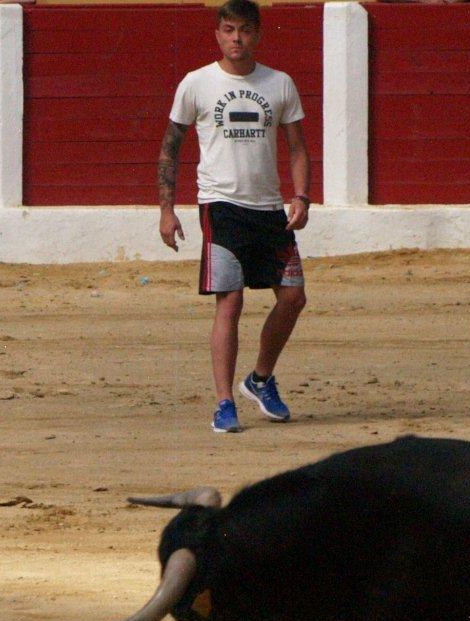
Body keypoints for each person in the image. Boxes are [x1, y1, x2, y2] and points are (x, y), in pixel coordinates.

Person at [157, 0, 310, 434]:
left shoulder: (279, 84)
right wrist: (167, 210)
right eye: (228, 30)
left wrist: (302, 196)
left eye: (244, 30)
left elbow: (297, 147)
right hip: (221, 206)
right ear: (217, 34)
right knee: (232, 300)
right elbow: (171, 147)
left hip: (268, 207)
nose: (236, 38)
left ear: (257, 34)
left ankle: (259, 379)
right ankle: (224, 402)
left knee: (294, 298)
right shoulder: (197, 83)